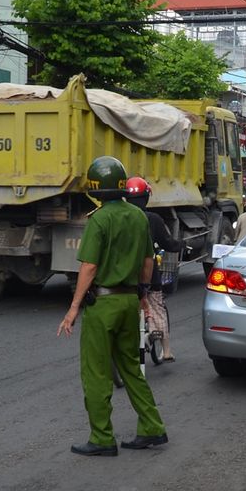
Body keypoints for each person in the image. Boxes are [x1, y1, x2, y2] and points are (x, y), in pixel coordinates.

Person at [56, 156, 168, 457]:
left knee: (96, 373)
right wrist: (142, 296)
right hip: (129, 300)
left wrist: (73, 308)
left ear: (94, 187)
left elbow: (89, 267)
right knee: (132, 367)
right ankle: (152, 427)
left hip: (103, 304)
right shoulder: (138, 217)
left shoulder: (100, 219)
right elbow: (147, 263)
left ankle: (102, 437)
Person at [126, 176, 188, 363]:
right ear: (146, 197)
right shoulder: (153, 219)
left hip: (125, 275)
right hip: (149, 275)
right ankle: (166, 350)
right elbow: (167, 243)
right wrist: (181, 245)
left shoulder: (121, 217)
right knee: (157, 307)